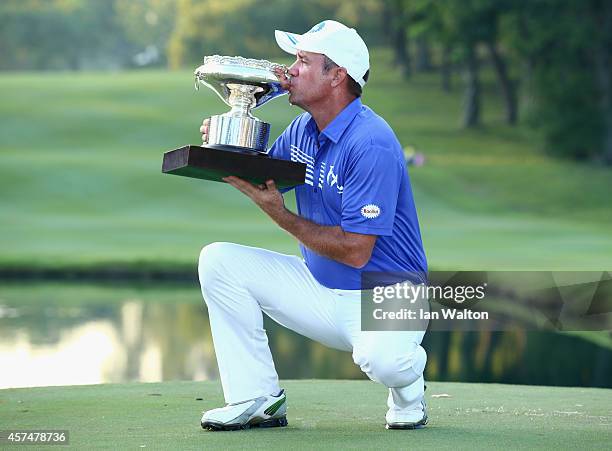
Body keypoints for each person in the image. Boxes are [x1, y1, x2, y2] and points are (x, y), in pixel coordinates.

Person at [197, 20, 428, 431]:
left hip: (390, 294)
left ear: (337, 75)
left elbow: (357, 250)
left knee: (387, 361)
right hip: (321, 290)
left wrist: (281, 215)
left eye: (303, 61)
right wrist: (229, 130)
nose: (291, 70)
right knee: (218, 261)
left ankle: (411, 390)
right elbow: (262, 174)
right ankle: (256, 399)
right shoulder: (304, 127)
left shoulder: (370, 141)